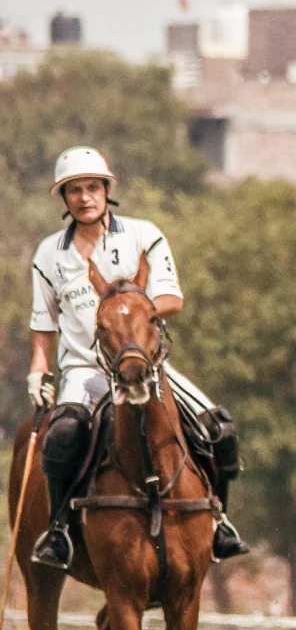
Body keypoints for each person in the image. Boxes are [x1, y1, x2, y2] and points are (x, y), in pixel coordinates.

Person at [27, 146, 248, 568]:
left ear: (107, 190)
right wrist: (38, 369)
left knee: (220, 429)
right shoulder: (48, 254)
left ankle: (218, 520)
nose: (84, 197)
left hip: (144, 364)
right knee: (64, 434)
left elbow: (172, 298)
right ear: (64, 198)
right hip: (84, 369)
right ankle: (58, 531)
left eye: (93, 187)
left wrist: (125, 308)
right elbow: (44, 321)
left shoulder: (144, 235)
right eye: (74, 190)